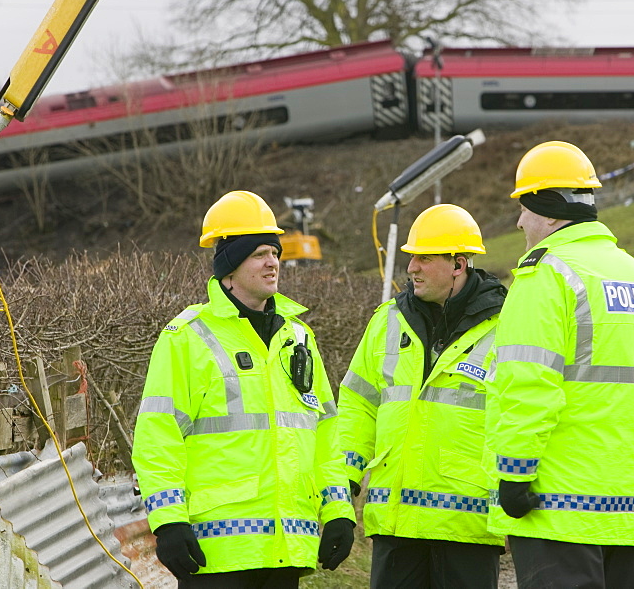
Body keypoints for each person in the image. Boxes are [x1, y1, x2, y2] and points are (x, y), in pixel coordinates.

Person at [485, 140, 634, 589]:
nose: (520, 220)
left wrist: (514, 471)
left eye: (525, 207)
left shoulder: (545, 275)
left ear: (550, 209)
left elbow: (528, 385)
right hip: (630, 509)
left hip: (557, 507)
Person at [132, 190, 355, 588]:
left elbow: (325, 434)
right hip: (217, 554)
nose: (273, 262)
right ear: (229, 268)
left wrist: (338, 510)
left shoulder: (299, 337)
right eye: (259, 254)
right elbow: (158, 436)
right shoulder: (187, 337)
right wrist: (167, 521)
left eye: (275, 252)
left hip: (287, 548)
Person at [338, 203, 508, 588]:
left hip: (468, 526)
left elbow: (519, 412)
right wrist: (345, 478)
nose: (411, 268)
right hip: (394, 526)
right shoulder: (387, 320)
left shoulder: (507, 326)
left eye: (424, 258)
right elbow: (358, 404)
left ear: (458, 264)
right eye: (411, 257)